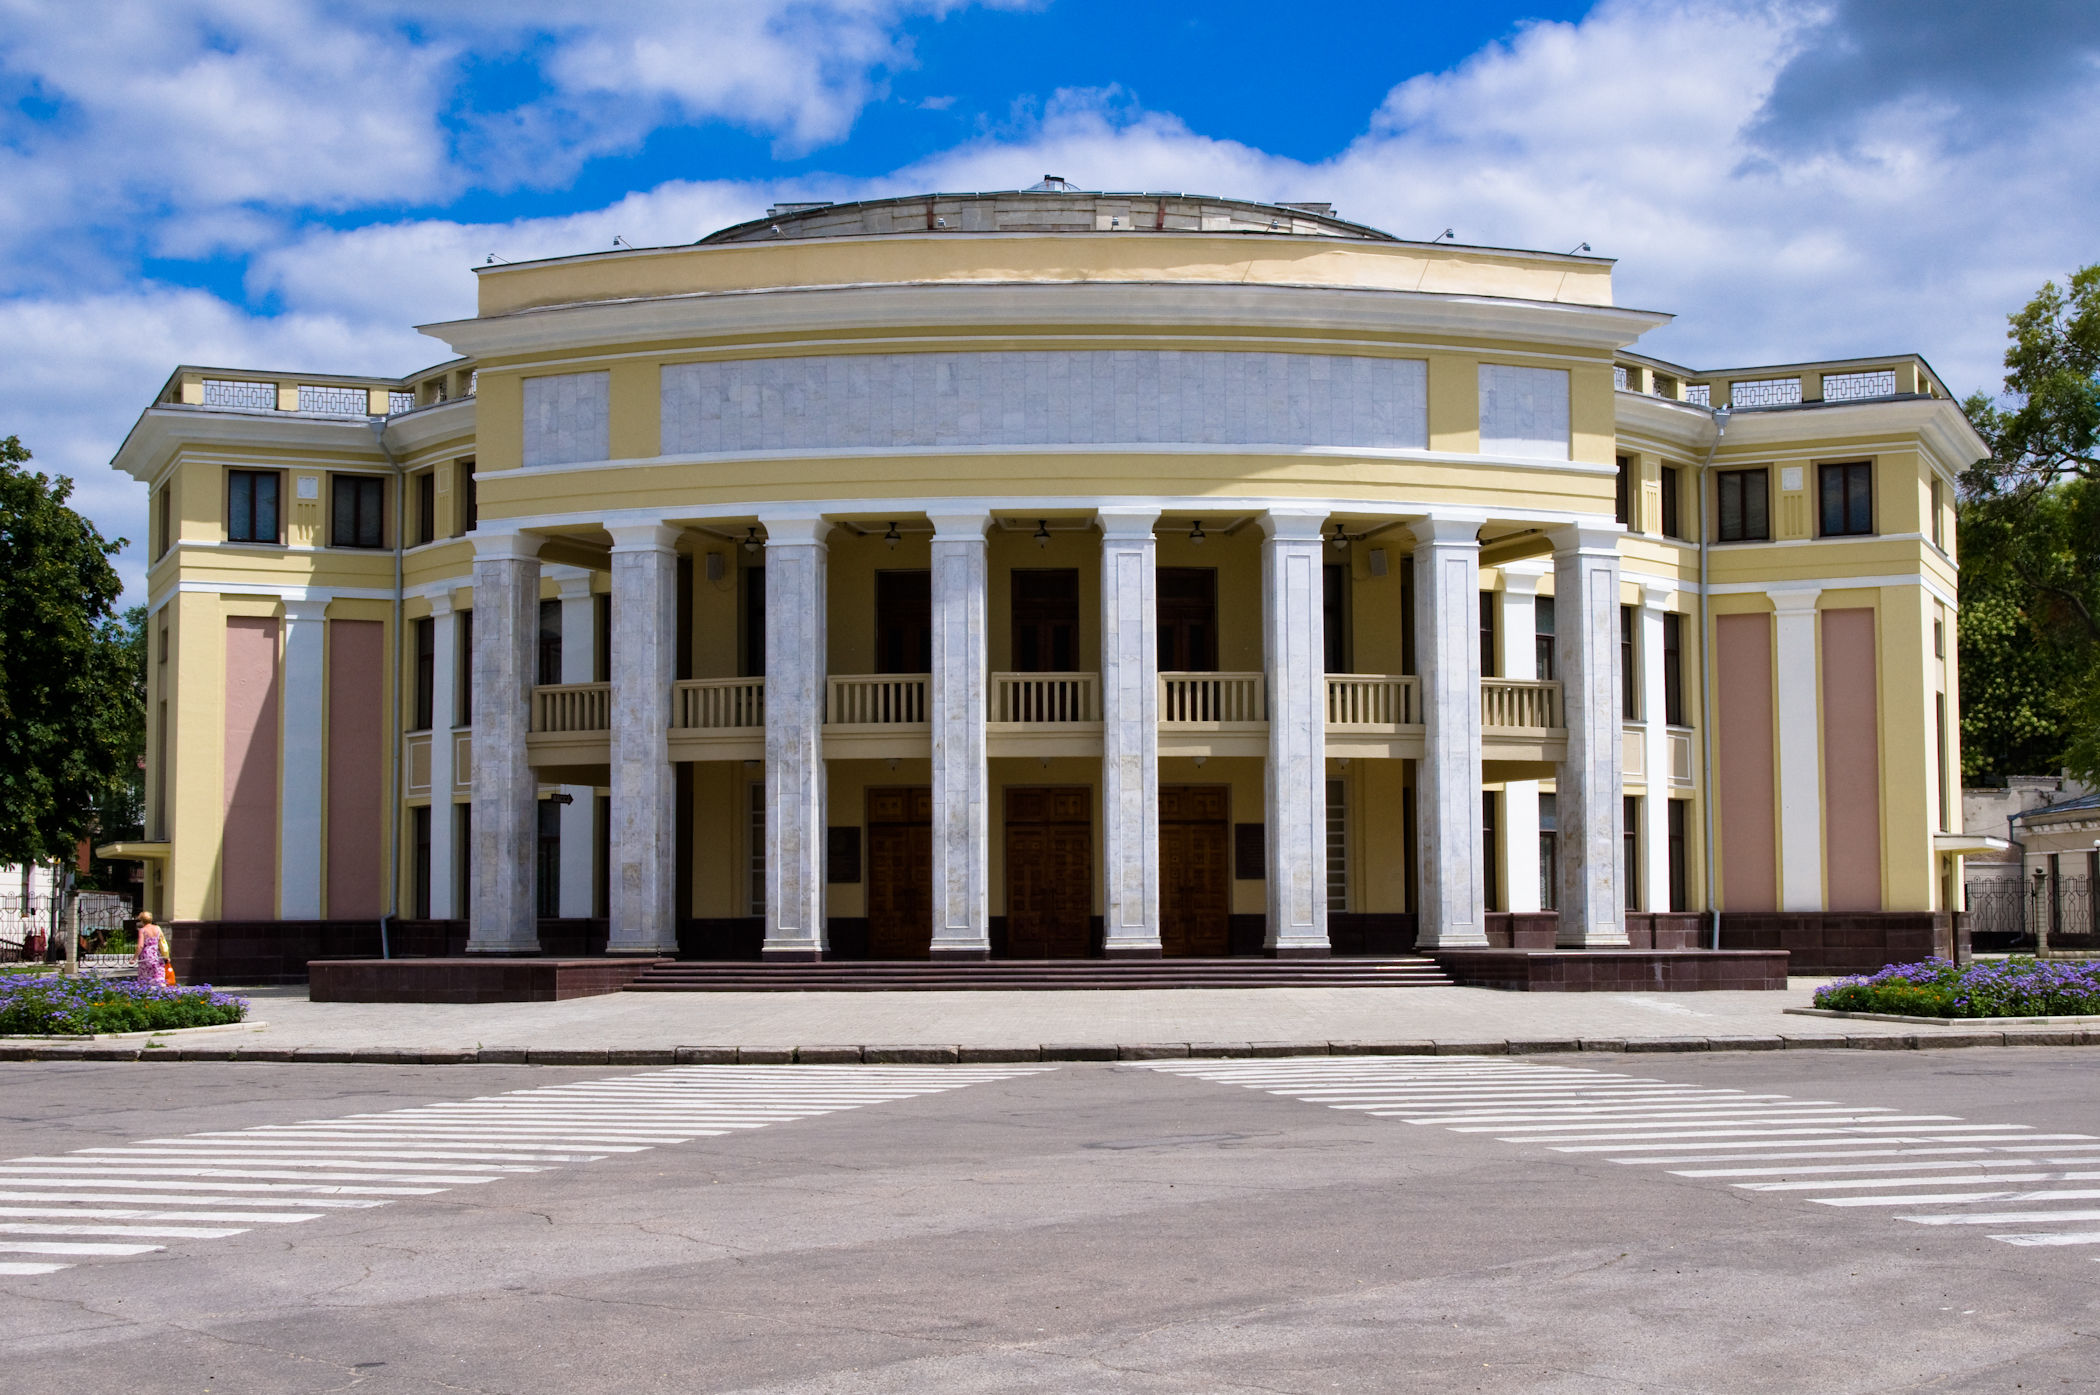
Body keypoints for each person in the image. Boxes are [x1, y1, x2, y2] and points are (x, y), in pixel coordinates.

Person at [134, 911, 171, 987]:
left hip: (146, 956)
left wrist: (134, 958)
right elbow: (162, 942)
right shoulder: (157, 928)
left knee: (145, 977)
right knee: (158, 975)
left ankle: (145, 991)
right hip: (157, 954)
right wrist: (166, 955)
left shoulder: (142, 930)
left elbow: (140, 946)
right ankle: (162, 990)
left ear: (142, 920)